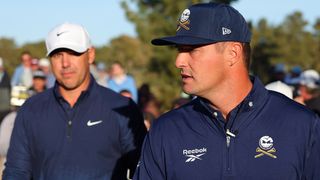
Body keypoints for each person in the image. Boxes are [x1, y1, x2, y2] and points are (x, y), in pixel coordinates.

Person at [133, 3, 320, 180]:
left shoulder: (301, 125)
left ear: (233, 53)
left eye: (191, 50)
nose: (178, 61)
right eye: (179, 50)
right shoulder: (166, 131)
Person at [3, 22, 146, 180]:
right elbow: (16, 172)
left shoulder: (122, 108)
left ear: (90, 55)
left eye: (73, 53)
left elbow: (144, 170)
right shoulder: (31, 109)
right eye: (57, 55)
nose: (65, 63)